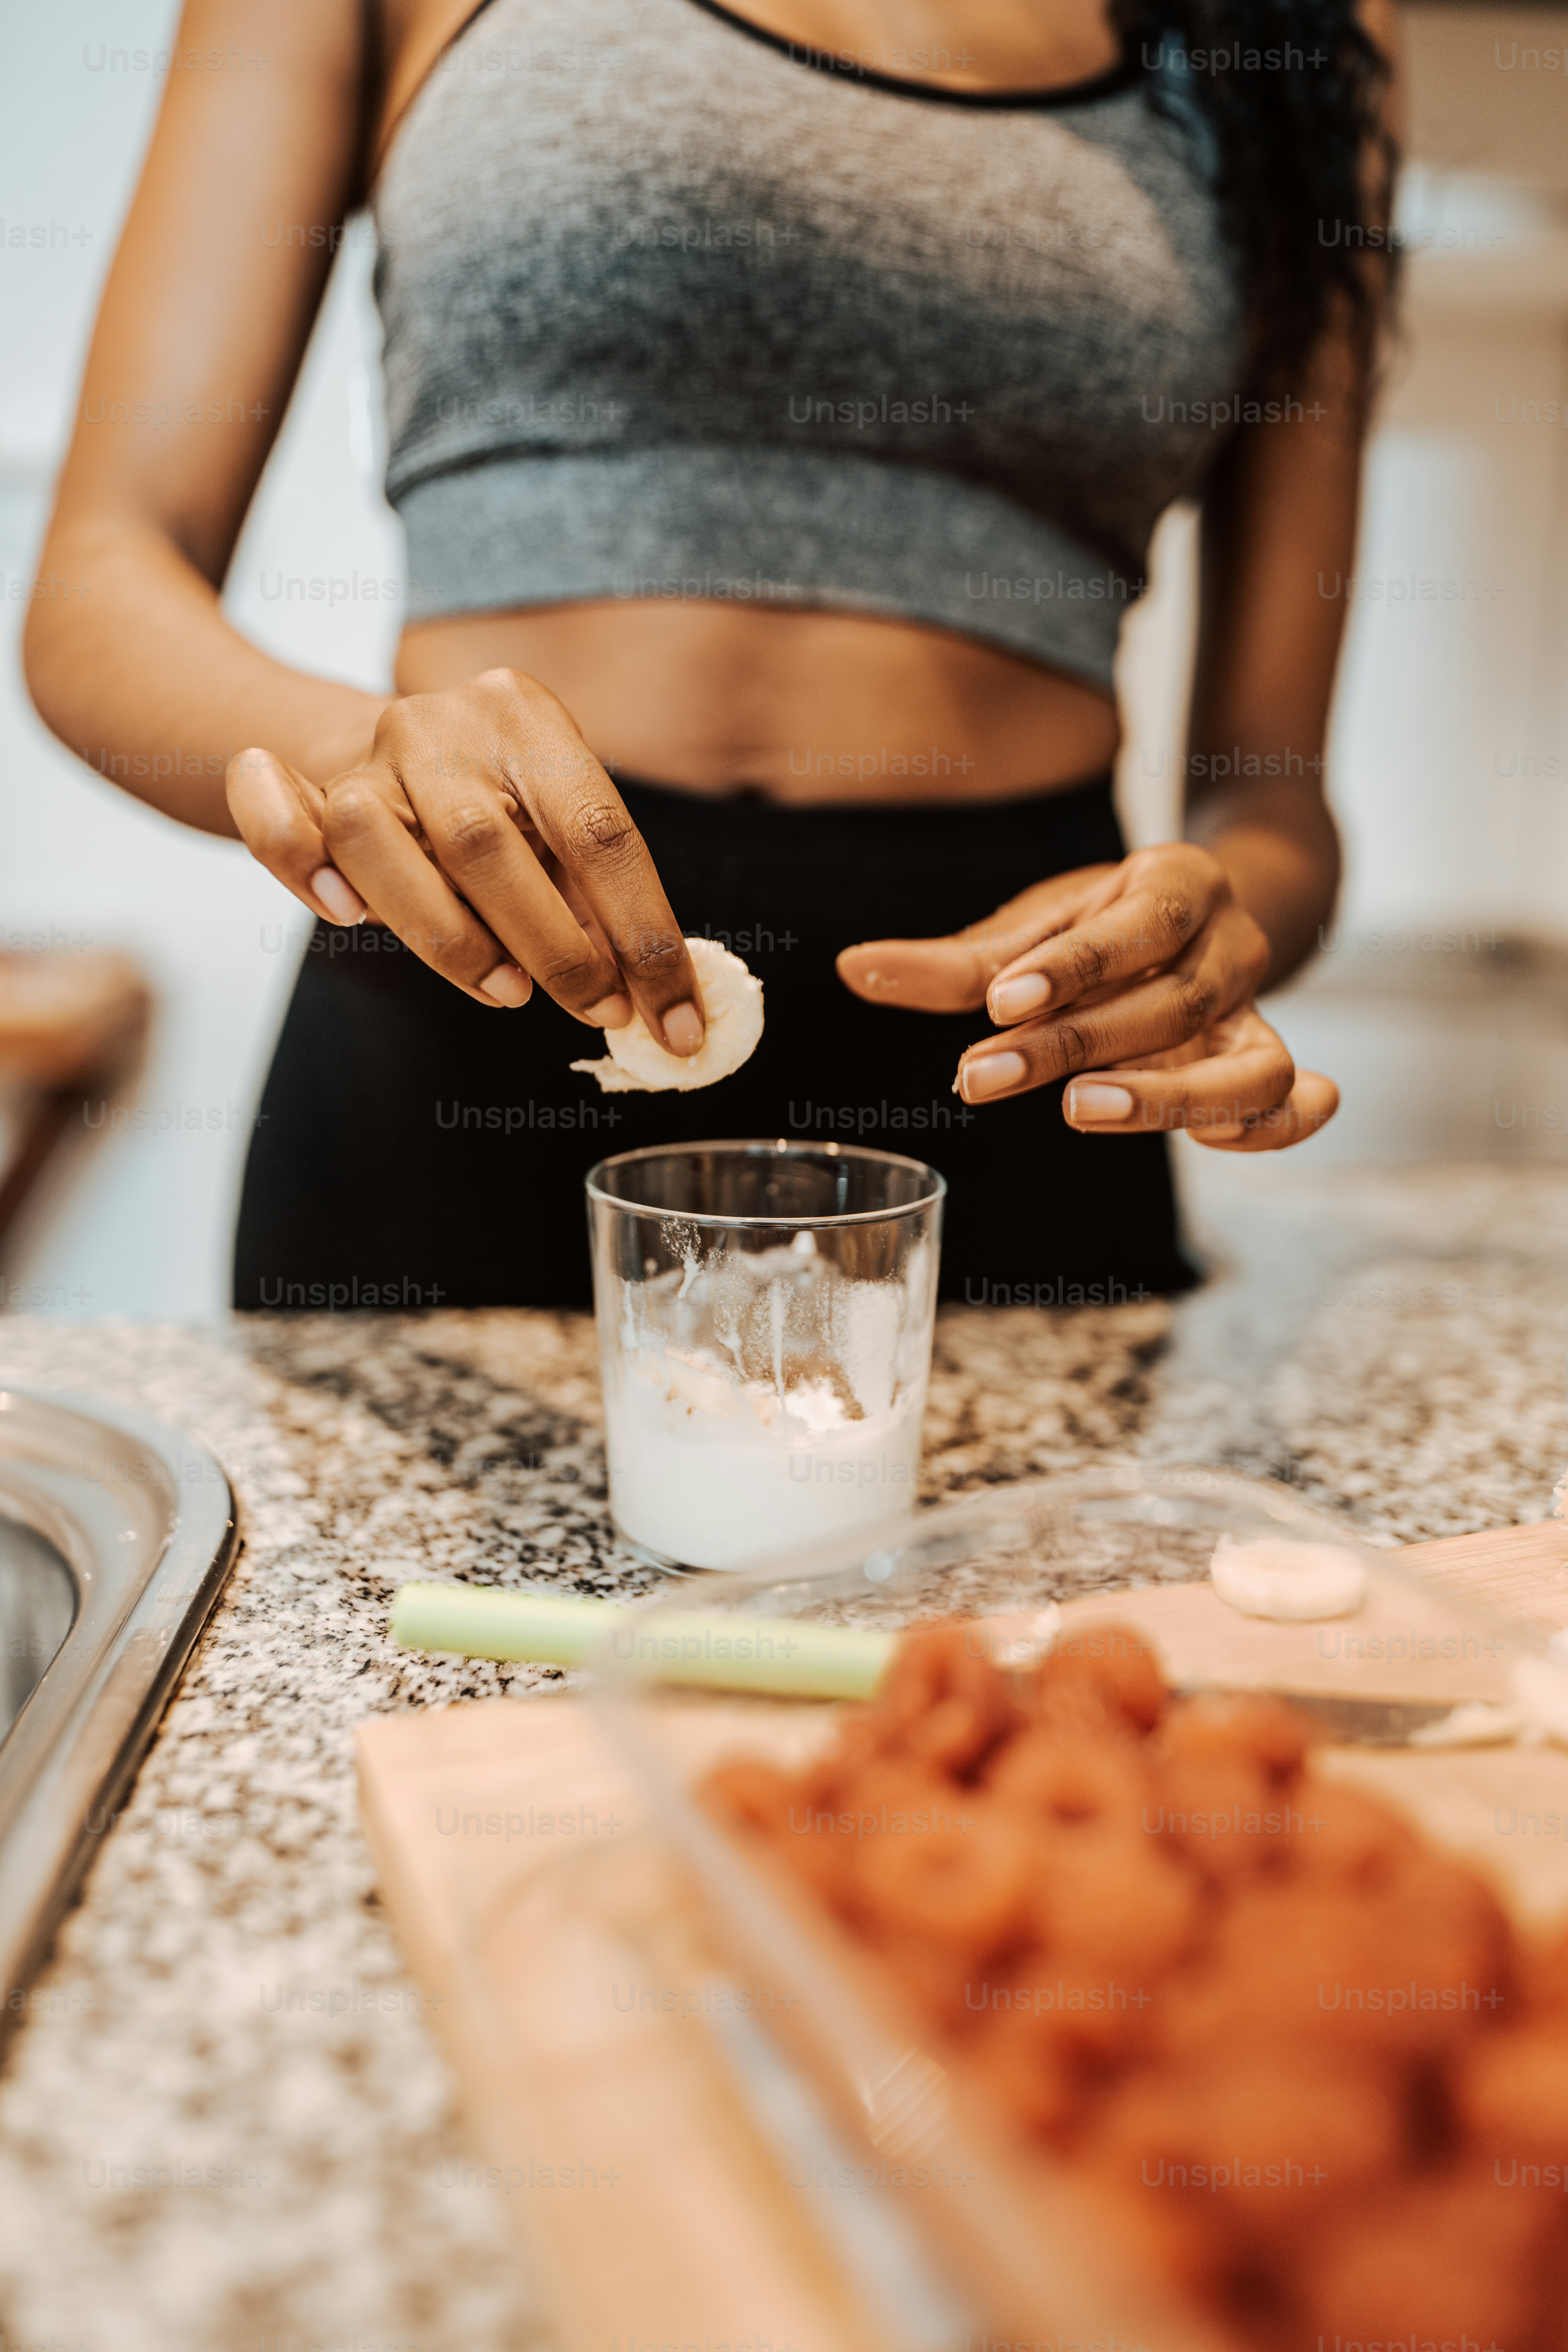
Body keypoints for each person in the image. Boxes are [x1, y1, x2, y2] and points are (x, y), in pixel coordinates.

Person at [24, 0, 1395, 1311]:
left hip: (1014, 1047)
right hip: (476, 972)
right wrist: (355, 762)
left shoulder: (1301, 24)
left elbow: (1271, 798)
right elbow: (100, 586)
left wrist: (1211, 924)